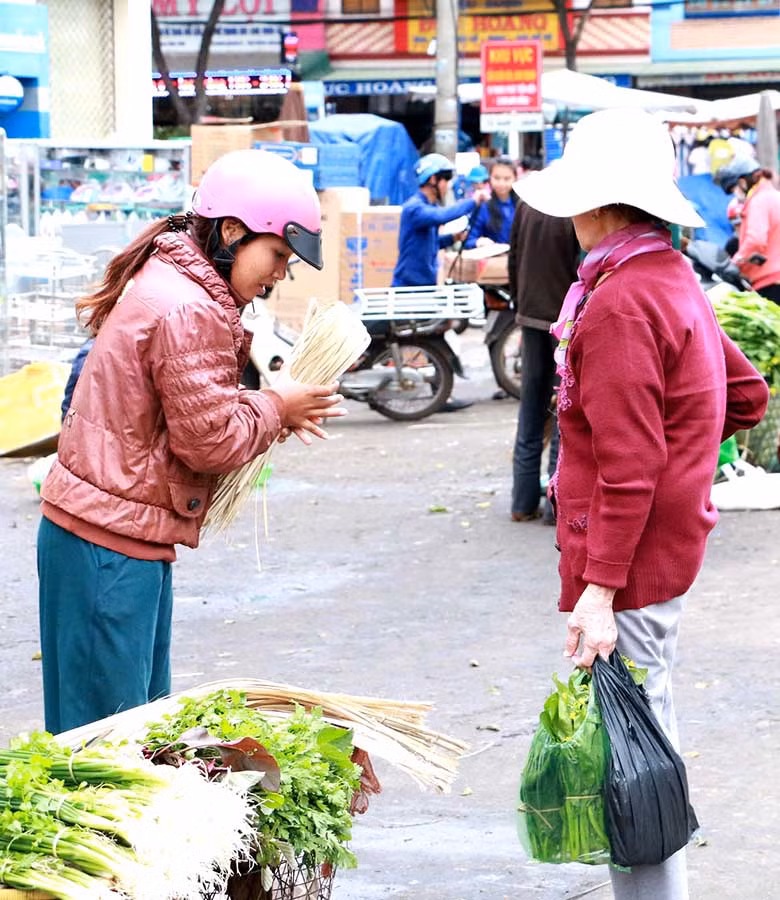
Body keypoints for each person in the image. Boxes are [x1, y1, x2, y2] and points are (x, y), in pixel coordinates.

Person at [514, 107, 769, 900]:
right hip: (661, 552)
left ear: (598, 205)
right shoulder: (668, 275)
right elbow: (744, 395)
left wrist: (599, 591)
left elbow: (629, 469)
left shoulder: (620, 301)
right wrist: (686, 454)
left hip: (631, 565)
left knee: (632, 758)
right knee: (643, 735)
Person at [38, 148, 346, 734]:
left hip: (109, 534)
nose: (281, 273)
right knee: (106, 747)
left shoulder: (173, 280)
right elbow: (208, 443)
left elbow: (190, 417)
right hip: (110, 545)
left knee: (125, 733)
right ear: (231, 232)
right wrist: (276, 406)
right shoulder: (190, 309)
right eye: (278, 255)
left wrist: (269, 410)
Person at [392, 152, 489, 411]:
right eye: (445, 179)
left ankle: (440, 392)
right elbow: (441, 217)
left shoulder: (426, 208)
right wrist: (473, 201)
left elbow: (432, 241)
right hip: (411, 288)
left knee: (434, 335)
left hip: (423, 286)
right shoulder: (415, 208)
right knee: (430, 336)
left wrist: (453, 238)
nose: (447, 184)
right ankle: (438, 392)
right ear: (433, 180)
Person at [508, 201, 580, 523]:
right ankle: (555, 506)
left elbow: (513, 258)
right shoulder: (576, 205)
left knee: (531, 409)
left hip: (530, 315)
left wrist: (519, 304)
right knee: (563, 409)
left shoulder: (527, 203)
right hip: (563, 320)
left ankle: (522, 503)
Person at [717, 157, 780, 304]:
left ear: (744, 180)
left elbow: (756, 240)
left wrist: (735, 262)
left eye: (735, 187)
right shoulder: (775, 196)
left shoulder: (758, 201)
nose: (735, 192)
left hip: (769, 282)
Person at [464, 156, 518, 249]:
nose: (501, 183)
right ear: (490, 178)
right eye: (496, 178)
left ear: (515, 178)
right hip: (495, 257)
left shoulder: (522, 206)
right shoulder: (483, 207)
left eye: (507, 178)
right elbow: (468, 241)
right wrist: (478, 242)